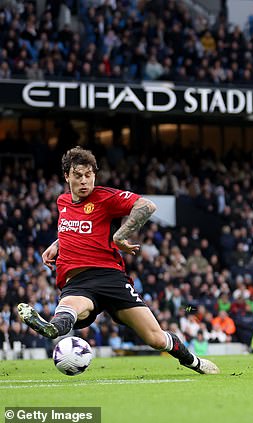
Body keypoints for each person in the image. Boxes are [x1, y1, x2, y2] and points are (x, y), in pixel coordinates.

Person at [17, 146, 219, 374]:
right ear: (67, 176)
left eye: (88, 175)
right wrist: (56, 244)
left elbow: (147, 205)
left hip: (110, 278)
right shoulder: (62, 202)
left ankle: (193, 361)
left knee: (155, 339)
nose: (84, 181)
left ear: (94, 174)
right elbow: (78, 229)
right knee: (70, 308)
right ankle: (52, 329)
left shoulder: (105, 197)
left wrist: (120, 235)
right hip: (78, 282)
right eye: (78, 175)